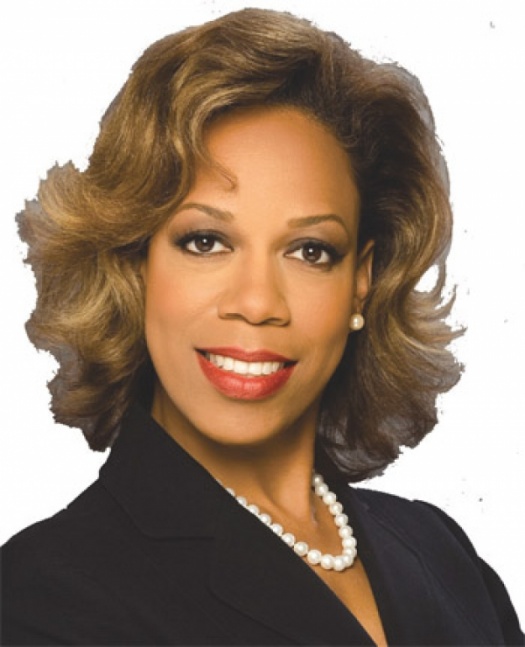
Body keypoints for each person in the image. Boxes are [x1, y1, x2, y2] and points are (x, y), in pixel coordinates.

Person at [1, 7, 523, 646]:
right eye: (205, 241)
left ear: (360, 281)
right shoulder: (46, 594)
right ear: (135, 263)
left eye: (310, 251)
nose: (256, 303)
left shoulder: (442, 556)